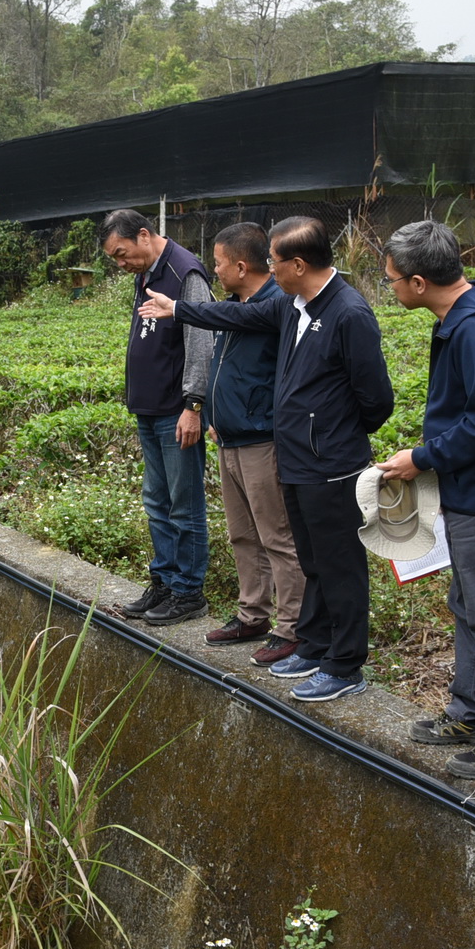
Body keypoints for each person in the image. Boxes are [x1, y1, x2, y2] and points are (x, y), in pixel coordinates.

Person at [141, 215, 393, 702]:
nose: (268, 270)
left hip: (331, 462)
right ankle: (317, 645)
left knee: (339, 565)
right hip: (298, 458)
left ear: (298, 263)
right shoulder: (293, 306)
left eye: (274, 262)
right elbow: (237, 317)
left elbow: (376, 399)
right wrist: (181, 310)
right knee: (315, 561)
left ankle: (345, 664)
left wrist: (330, 433)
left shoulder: (348, 313)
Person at [375, 221, 475, 778]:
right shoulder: (460, 319)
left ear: (419, 282)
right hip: (467, 488)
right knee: (470, 606)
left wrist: (422, 458)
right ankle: (471, 713)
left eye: (393, 279)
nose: (390, 286)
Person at [142, 222, 305, 668]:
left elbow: (230, 325)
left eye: (216, 263)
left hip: (262, 439)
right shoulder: (235, 304)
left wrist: (180, 309)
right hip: (230, 436)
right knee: (243, 534)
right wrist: (213, 414)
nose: (213, 271)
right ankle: (252, 614)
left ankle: (291, 627)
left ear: (239, 264)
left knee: (277, 537)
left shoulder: (275, 305)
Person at [101, 208, 215, 627]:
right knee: (157, 502)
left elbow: (202, 342)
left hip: (176, 411)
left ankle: (189, 592)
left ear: (144, 235)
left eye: (122, 253)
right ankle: (165, 580)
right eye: (115, 258)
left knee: (184, 505)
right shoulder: (146, 272)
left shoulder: (186, 273)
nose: (121, 263)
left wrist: (194, 405)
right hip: (149, 409)